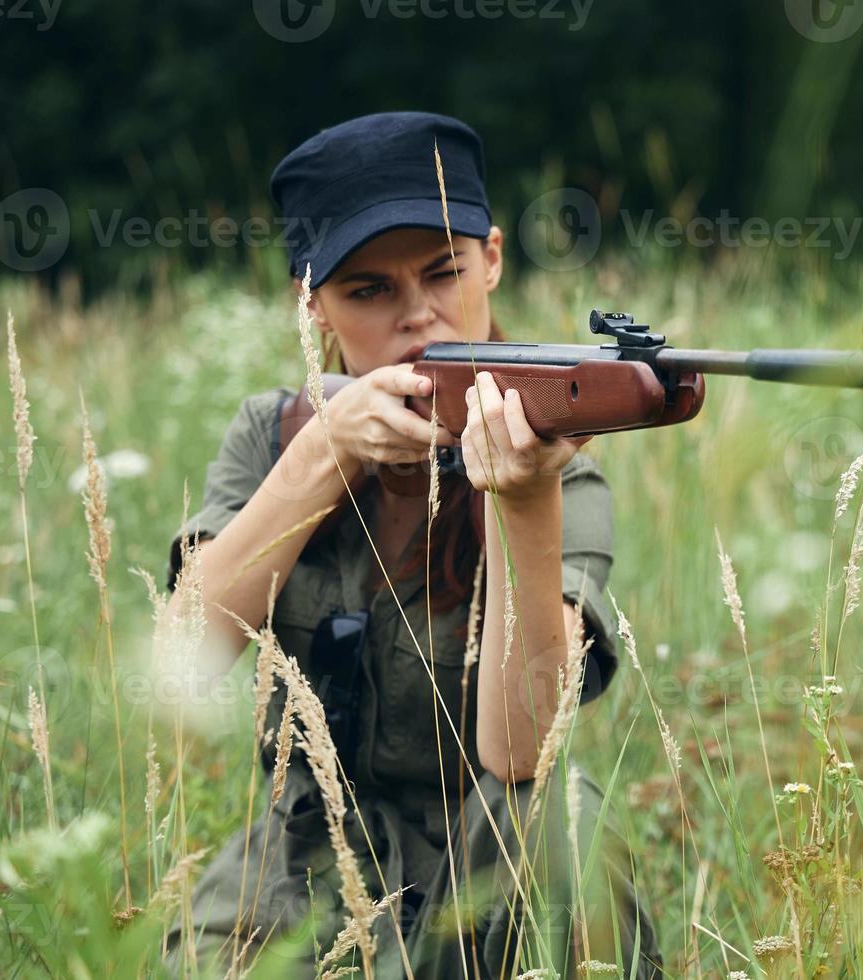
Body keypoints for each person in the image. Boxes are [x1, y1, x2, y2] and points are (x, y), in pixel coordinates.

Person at [159, 111, 663, 979]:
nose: (419, 317)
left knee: (563, 823)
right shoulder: (274, 437)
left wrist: (525, 498)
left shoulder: (559, 467)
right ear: (311, 304)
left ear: (494, 258)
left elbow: (522, 755)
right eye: (369, 291)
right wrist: (324, 452)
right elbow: (181, 660)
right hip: (306, 857)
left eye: (445, 272)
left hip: (485, 854)